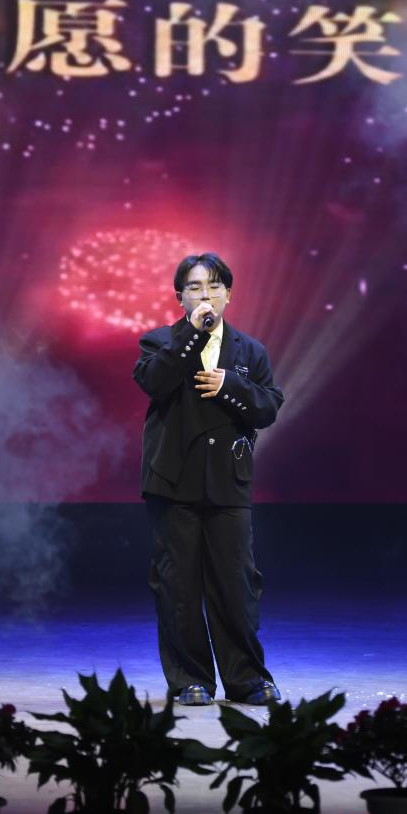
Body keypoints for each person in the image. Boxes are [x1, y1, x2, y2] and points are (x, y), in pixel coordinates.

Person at [132, 252, 284, 706]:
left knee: (237, 585)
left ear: (228, 295)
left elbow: (269, 407)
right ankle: (189, 679)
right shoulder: (160, 341)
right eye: (195, 288)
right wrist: (192, 335)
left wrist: (229, 386)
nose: (206, 295)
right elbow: (154, 382)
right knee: (179, 586)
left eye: (214, 287)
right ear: (180, 297)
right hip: (173, 480)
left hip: (228, 482)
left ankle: (247, 680)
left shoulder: (250, 351)